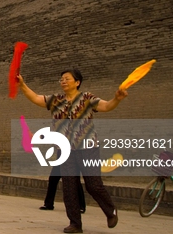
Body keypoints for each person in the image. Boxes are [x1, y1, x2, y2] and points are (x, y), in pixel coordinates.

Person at [18, 69, 126, 233]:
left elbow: (106, 106)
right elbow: (36, 98)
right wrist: (23, 85)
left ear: (77, 82)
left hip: (87, 147)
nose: (63, 81)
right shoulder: (56, 100)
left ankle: (111, 211)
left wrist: (116, 99)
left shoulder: (87, 98)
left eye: (67, 79)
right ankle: (75, 223)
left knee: (93, 184)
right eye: (61, 79)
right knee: (69, 187)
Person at [40, 148, 85, 213]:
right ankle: (48, 204)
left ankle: (81, 206)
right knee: (53, 179)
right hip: (61, 155)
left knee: (75, 181)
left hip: (73, 155)